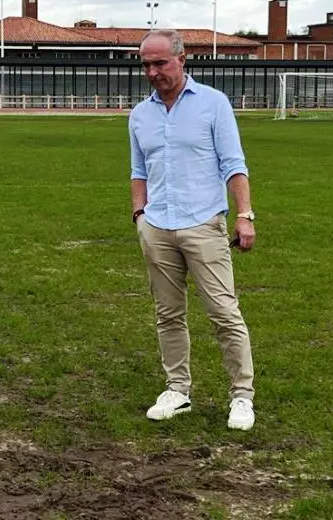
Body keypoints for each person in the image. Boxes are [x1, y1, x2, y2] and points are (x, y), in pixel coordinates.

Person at [128, 29, 257, 431]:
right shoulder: (140, 115)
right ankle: (178, 389)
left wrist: (244, 215)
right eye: (146, 64)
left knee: (223, 312)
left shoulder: (213, 105)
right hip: (158, 227)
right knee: (168, 314)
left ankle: (241, 397)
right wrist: (139, 215)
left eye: (160, 63)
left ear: (183, 60)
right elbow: (138, 171)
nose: (152, 72)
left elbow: (233, 163)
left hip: (204, 223)